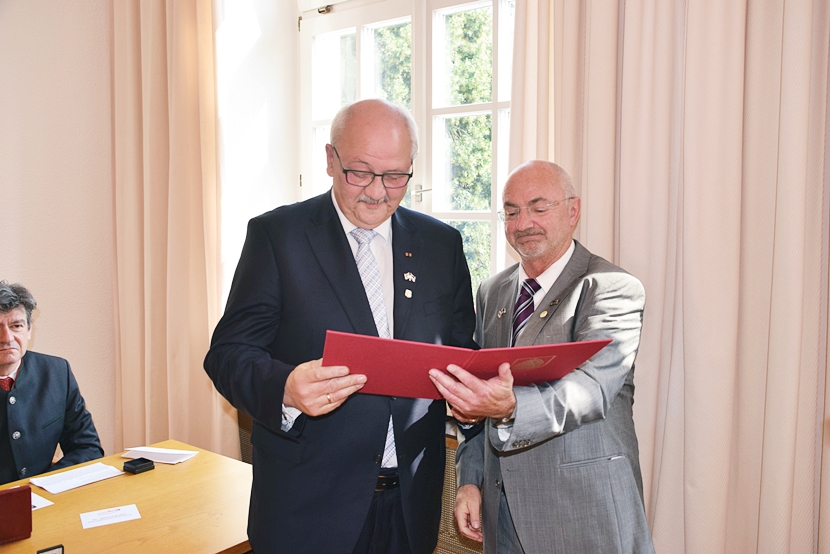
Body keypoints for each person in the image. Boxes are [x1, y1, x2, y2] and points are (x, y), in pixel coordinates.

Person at [204, 98, 476, 554]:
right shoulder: (279, 237)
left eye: (395, 176)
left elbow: (459, 354)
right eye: (360, 172)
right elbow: (228, 354)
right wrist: (286, 387)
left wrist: (474, 401)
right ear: (330, 160)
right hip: (308, 509)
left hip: (410, 505)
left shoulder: (440, 244)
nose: (377, 191)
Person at [429, 161, 655, 553]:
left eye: (538, 207)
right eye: (512, 211)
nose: (523, 222)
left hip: (586, 513)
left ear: (573, 211)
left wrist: (512, 405)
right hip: (504, 520)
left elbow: (592, 389)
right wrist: (471, 479)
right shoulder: (493, 291)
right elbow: (481, 393)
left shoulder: (610, 288)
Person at [0, 281, 103, 485]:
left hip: (45, 500)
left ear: (29, 331)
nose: (7, 337)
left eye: (16, 326)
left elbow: (87, 448)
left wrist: (46, 485)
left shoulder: (57, 372)